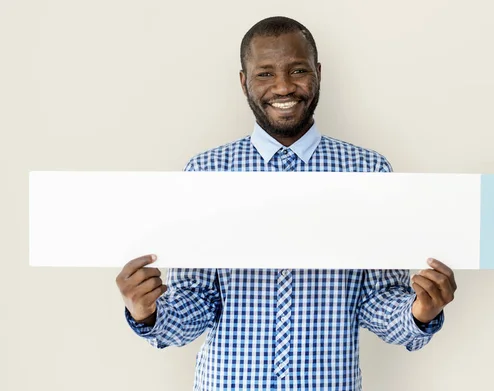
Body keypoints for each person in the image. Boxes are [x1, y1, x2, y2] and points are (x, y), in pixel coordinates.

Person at [116, 16, 457, 391]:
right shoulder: (205, 172)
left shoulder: (368, 171)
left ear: (318, 73)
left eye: (297, 70)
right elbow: (196, 303)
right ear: (244, 82)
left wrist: (420, 313)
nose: (283, 86)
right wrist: (146, 312)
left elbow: (376, 301)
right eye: (265, 74)